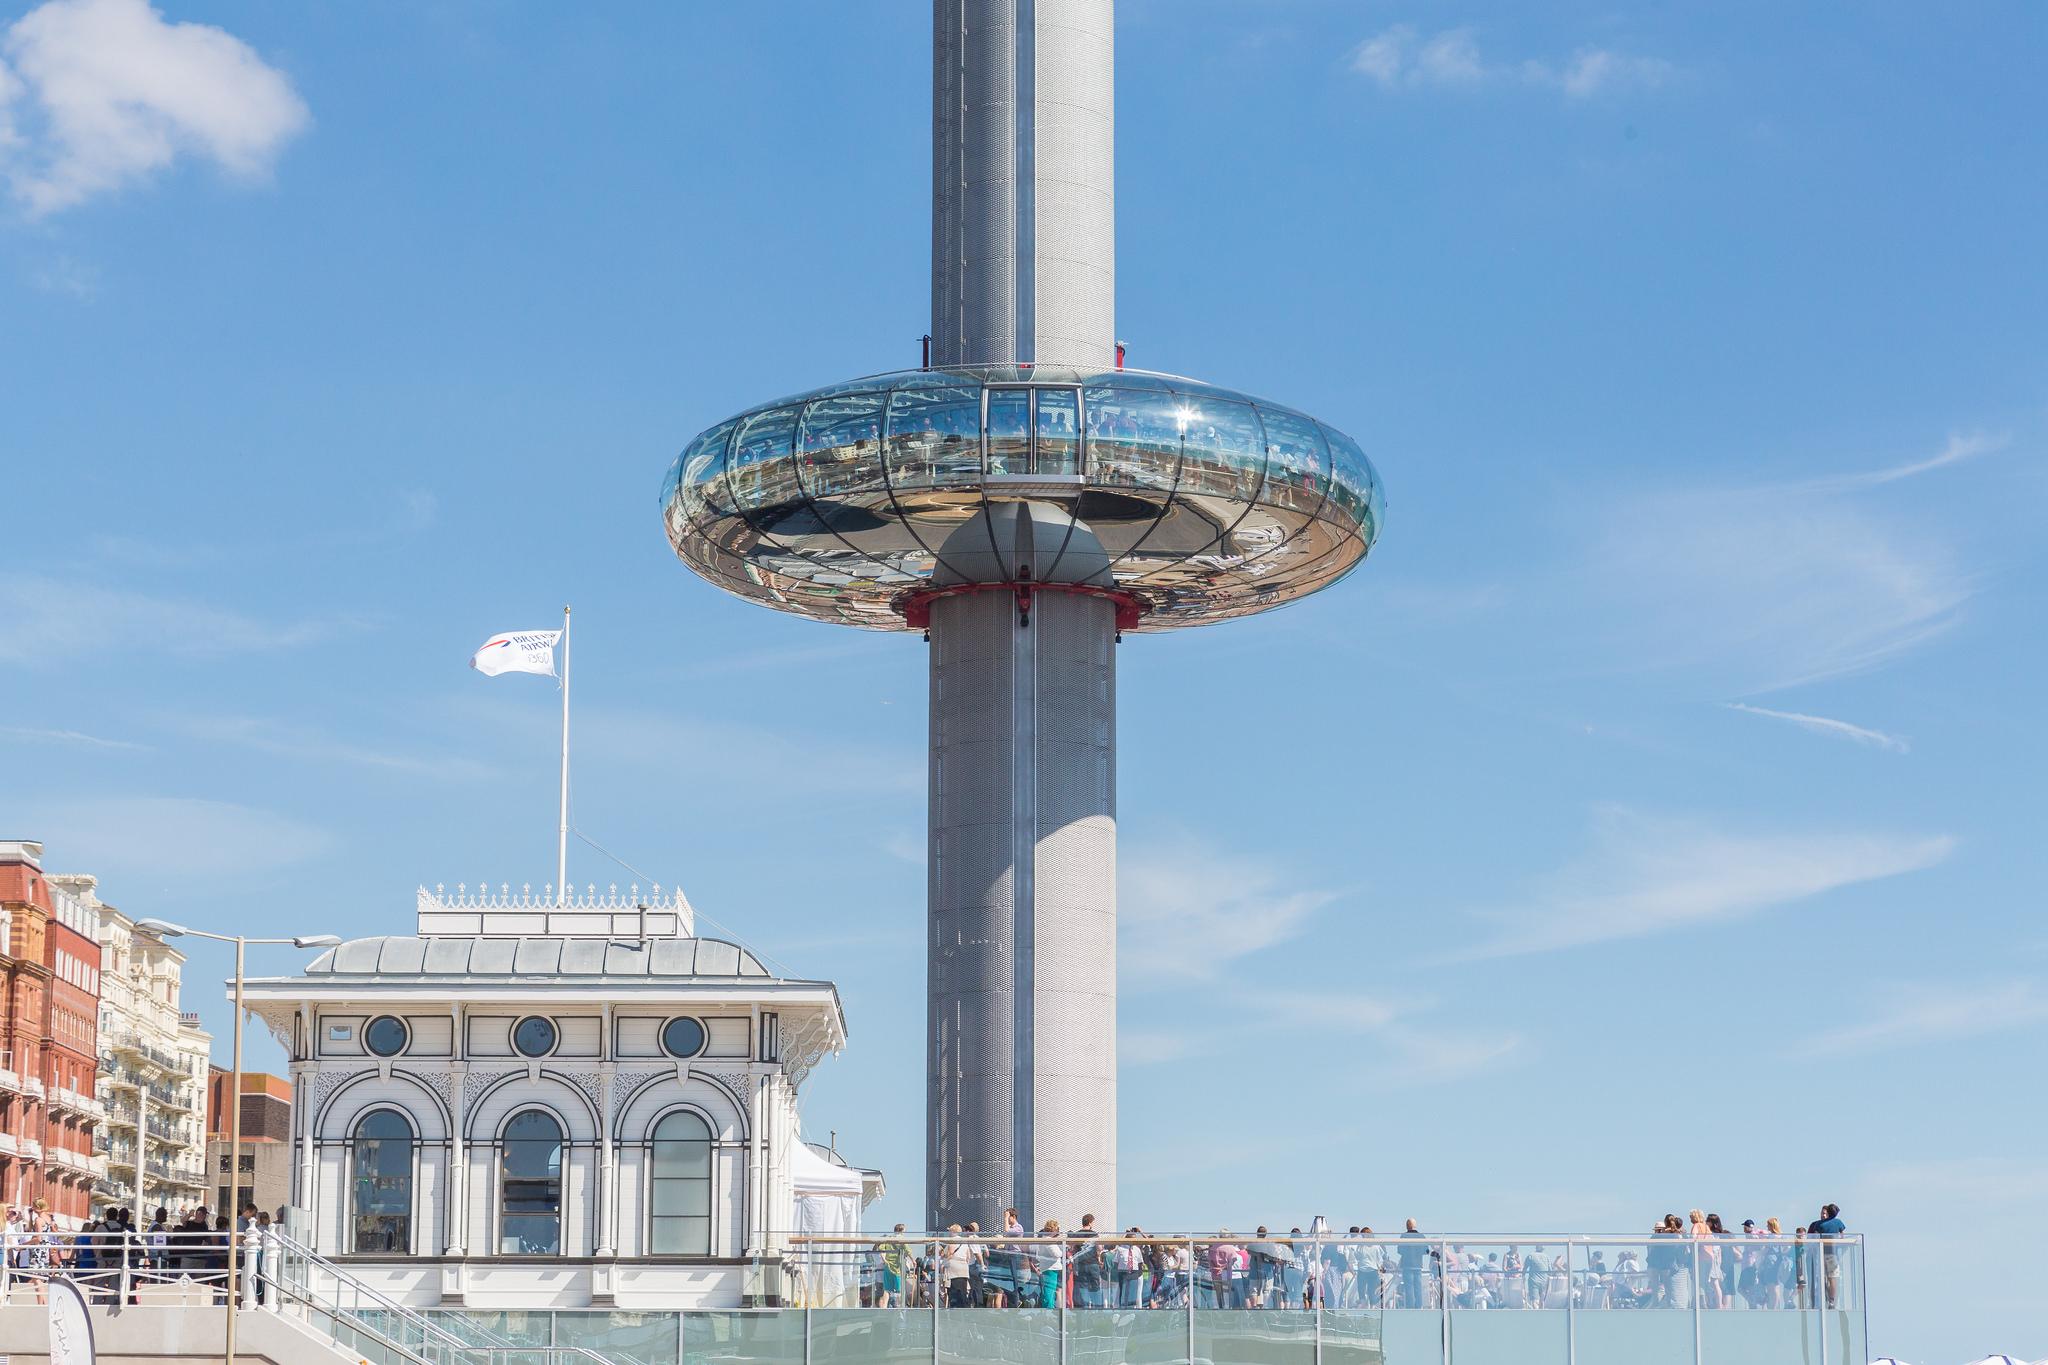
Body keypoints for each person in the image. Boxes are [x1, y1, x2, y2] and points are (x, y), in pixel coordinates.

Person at [1809, 1204, 1846, 1308]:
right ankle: (1831, 1300)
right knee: (1832, 1277)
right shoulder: (1838, 1222)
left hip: (1821, 1253)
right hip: (1832, 1254)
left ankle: (1823, 1296)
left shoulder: (1819, 1224)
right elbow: (1842, 1236)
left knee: (1820, 1276)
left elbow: (1814, 1238)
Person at [1070, 1214, 1105, 1308]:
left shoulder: (1076, 1235)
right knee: (1095, 1288)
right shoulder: (1094, 1234)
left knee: (1082, 1289)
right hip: (1093, 1264)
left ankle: (1084, 1310)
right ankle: (1096, 1310)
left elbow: (1072, 1249)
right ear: (1090, 1222)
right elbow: (1099, 1248)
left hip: (1080, 1265)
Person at [1397, 1220, 1429, 1309]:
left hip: (1407, 1265)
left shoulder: (1403, 1236)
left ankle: (1410, 1307)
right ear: (1415, 1225)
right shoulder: (1421, 1236)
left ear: (1407, 1226)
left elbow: (1399, 1250)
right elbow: (1426, 1251)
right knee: (1418, 1288)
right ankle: (1419, 1306)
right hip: (1418, 1265)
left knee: (1409, 1288)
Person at [1034, 1220, 1064, 1308]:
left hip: (1048, 1268)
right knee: (1049, 1292)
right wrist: (1061, 1251)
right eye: (1057, 1229)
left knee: (1049, 1291)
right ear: (1053, 1229)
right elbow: (1057, 1254)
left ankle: (1049, 1309)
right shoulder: (1048, 1240)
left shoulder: (1044, 1239)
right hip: (1051, 1269)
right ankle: (1049, 1311)